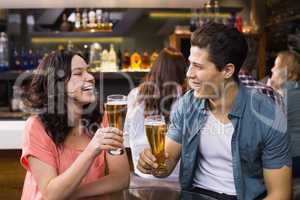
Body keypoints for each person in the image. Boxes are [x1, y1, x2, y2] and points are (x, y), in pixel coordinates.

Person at [137, 22, 292, 200]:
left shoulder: (268, 114)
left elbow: (280, 194)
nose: (188, 73)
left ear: (227, 70)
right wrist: (153, 163)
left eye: (199, 66)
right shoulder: (186, 104)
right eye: (190, 64)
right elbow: (167, 162)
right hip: (195, 195)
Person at [20, 51, 130, 200]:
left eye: (88, 71)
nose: (90, 77)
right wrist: (92, 150)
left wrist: (72, 193)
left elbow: (121, 178)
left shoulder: (104, 118)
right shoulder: (36, 126)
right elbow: (51, 195)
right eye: (78, 73)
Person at [124, 47, 187, 187]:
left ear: (155, 67)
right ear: (182, 71)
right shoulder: (184, 98)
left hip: (140, 176)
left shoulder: (135, 94)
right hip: (175, 178)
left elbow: (126, 137)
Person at [268, 50, 300, 178]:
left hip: (290, 159)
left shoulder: (281, 95)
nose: (272, 69)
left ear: (284, 70)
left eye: (276, 65)